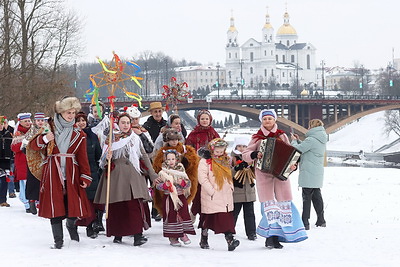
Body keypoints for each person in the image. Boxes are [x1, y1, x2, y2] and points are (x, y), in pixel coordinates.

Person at [29, 97, 93, 249]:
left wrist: (85, 175)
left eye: (73, 112)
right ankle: (58, 241)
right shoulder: (49, 128)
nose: (71, 115)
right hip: (52, 172)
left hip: (72, 172)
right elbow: (33, 146)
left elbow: (83, 157)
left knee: (72, 206)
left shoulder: (79, 134)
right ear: (60, 112)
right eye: (67, 112)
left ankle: (71, 226)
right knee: (55, 206)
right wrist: (44, 139)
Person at [243, 109, 307, 249]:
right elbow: (245, 154)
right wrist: (254, 154)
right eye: (265, 119)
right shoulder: (257, 137)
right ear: (261, 121)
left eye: (270, 119)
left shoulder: (282, 136)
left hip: (280, 176)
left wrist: (293, 165)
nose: (267, 121)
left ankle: (280, 236)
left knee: (283, 206)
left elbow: (290, 154)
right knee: (269, 207)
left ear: (274, 120)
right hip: (264, 175)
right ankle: (270, 238)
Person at [94, 113, 158, 246]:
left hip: (134, 174)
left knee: (134, 205)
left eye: (127, 123)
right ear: (118, 123)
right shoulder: (111, 139)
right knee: (117, 205)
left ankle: (137, 235)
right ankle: (118, 234)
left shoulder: (135, 138)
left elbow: (144, 156)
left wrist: (152, 174)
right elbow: (102, 160)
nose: (125, 125)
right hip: (117, 175)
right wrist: (108, 157)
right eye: (123, 122)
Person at [197, 138, 240, 251]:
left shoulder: (225, 160)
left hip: (224, 194)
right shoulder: (205, 161)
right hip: (212, 194)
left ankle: (230, 240)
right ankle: (204, 238)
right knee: (208, 219)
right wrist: (211, 191)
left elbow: (229, 174)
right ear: (212, 150)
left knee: (225, 219)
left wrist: (230, 187)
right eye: (217, 152)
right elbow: (202, 178)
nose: (219, 154)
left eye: (221, 152)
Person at [152, 129, 199, 220]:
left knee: (182, 204)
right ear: (167, 140)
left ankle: (180, 223)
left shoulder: (186, 150)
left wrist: (185, 162)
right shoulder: (162, 152)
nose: (174, 142)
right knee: (169, 205)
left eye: (176, 139)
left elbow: (192, 164)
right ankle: (171, 224)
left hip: (182, 183)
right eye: (171, 139)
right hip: (168, 184)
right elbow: (157, 167)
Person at [291, 119, 328, 230]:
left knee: (306, 198)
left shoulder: (311, 139)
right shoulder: (321, 138)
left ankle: (305, 222)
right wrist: (298, 140)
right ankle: (321, 220)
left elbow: (297, 149)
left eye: (309, 126)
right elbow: (307, 148)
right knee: (317, 197)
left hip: (308, 172)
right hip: (317, 173)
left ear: (312, 127)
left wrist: (293, 141)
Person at [154, 149, 195, 246]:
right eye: (168, 159)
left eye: (173, 159)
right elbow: (157, 185)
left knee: (182, 214)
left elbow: (188, 183)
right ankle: (172, 237)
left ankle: (182, 233)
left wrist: (183, 183)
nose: (171, 161)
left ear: (177, 159)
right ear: (165, 160)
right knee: (171, 216)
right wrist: (165, 186)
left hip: (180, 197)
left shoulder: (181, 170)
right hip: (169, 197)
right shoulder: (162, 172)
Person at [74, 112, 105, 238]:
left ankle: (94, 223)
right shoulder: (73, 136)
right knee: (83, 200)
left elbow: (98, 153)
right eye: (79, 120)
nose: (82, 123)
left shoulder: (92, 136)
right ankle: (82, 224)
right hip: (78, 171)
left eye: (83, 120)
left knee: (94, 199)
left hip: (92, 170)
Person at [230, 136, 257, 240]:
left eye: (244, 146)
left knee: (250, 213)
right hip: (236, 191)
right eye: (239, 146)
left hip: (249, 191)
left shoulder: (251, 159)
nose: (241, 148)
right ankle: (230, 230)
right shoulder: (232, 158)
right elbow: (228, 174)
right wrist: (236, 169)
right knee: (234, 213)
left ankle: (251, 233)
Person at [24, 112, 47, 215]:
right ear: (35, 121)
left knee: (44, 181)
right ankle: (32, 201)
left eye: (42, 120)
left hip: (44, 159)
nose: (40, 122)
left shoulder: (47, 130)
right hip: (33, 160)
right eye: (38, 120)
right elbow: (25, 145)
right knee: (32, 181)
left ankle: (42, 202)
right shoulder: (31, 131)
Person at [11, 112, 32, 213]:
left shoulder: (34, 131)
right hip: (22, 161)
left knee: (33, 181)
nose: (28, 123)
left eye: (29, 121)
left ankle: (34, 200)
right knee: (24, 182)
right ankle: (26, 202)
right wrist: (23, 143)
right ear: (21, 122)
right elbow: (14, 148)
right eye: (26, 121)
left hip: (33, 160)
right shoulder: (18, 133)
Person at [0, 116, 13, 207]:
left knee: (4, 180)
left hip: (5, 160)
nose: (0, 126)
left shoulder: (8, 133)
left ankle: (3, 200)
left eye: (2, 124)